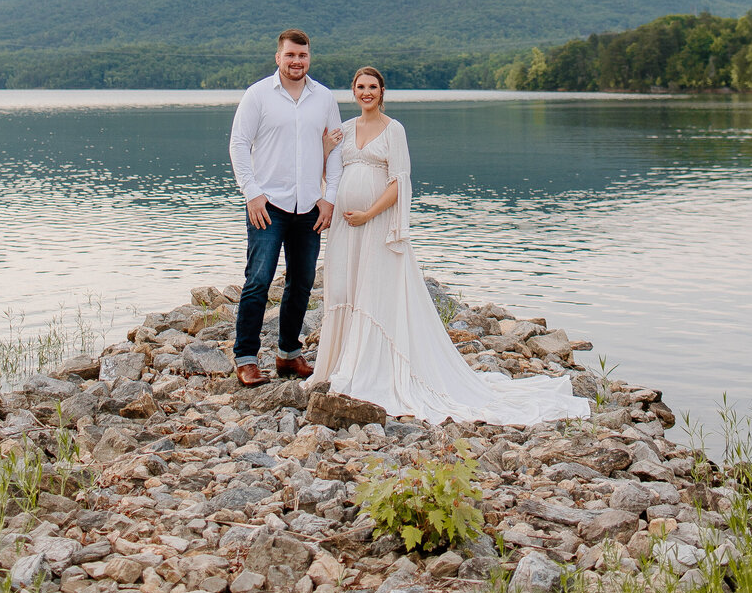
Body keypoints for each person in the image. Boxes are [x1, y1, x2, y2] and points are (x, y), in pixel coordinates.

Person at [311, 66, 590, 426]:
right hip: (346, 229)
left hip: (375, 224)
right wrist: (324, 148)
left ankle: (373, 369)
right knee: (346, 290)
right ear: (353, 91)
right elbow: (329, 175)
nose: (367, 93)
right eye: (360, 87)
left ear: (382, 92)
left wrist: (368, 213)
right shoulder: (345, 131)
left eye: (373, 87)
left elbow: (399, 182)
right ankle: (340, 363)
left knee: (374, 293)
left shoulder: (393, 129)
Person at [229, 29, 343, 387]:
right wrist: (252, 193)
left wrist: (330, 198)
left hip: (310, 204)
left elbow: (337, 150)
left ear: (310, 58)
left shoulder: (323, 97)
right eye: (290, 55)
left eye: (303, 56)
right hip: (269, 204)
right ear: (278, 57)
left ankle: (288, 355)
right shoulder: (258, 95)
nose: (297, 62)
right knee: (259, 280)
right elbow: (239, 144)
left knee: (302, 281)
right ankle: (246, 359)